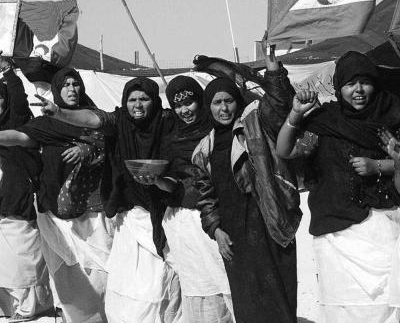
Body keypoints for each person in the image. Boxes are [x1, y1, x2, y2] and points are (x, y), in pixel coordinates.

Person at [36, 76, 182, 323]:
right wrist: (59, 112)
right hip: (131, 217)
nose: (138, 105)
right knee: (126, 287)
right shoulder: (120, 121)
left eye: (144, 99)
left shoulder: (167, 122)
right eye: (132, 99)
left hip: (164, 214)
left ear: (154, 100)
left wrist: (160, 180)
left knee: (157, 285)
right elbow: (93, 118)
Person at [276, 51, 400, 323]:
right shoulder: (325, 122)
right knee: (344, 310)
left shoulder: (392, 117)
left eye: (365, 82)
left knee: (385, 310)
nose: (358, 90)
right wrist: (295, 115)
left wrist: (379, 165)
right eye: (349, 84)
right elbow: (285, 150)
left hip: (384, 230)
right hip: (336, 236)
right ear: (338, 86)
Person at [191, 51, 301, 323]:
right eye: (217, 102)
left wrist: (274, 74)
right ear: (209, 107)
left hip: (270, 223)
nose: (224, 108)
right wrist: (215, 229)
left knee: (280, 299)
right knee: (247, 304)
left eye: (229, 101)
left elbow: (277, 107)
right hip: (235, 235)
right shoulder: (203, 150)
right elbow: (205, 199)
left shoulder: (255, 126)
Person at [0, 67, 112, 323]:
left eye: (76, 84)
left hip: (94, 214)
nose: (72, 89)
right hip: (57, 217)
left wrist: (88, 150)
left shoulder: (98, 120)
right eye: (66, 85)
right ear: (57, 90)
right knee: (68, 277)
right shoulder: (46, 125)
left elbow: (115, 145)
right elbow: (18, 136)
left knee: (101, 274)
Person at [136, 75, 235, 322]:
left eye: (189, 103)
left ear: (200, 102)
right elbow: (173, 184)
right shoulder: (172, 139)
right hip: (185, 225)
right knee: (200, 287)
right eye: (178, 105)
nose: (184, 110)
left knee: (228, 281)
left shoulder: (219, 132)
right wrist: (155, 181)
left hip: (216, 217)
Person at [0, 57, 53, 323]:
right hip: (2, 216)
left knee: (25, 267)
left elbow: (17, 99)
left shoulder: (20, 126)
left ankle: (34, 310)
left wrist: (8, 72)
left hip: (20, 212)